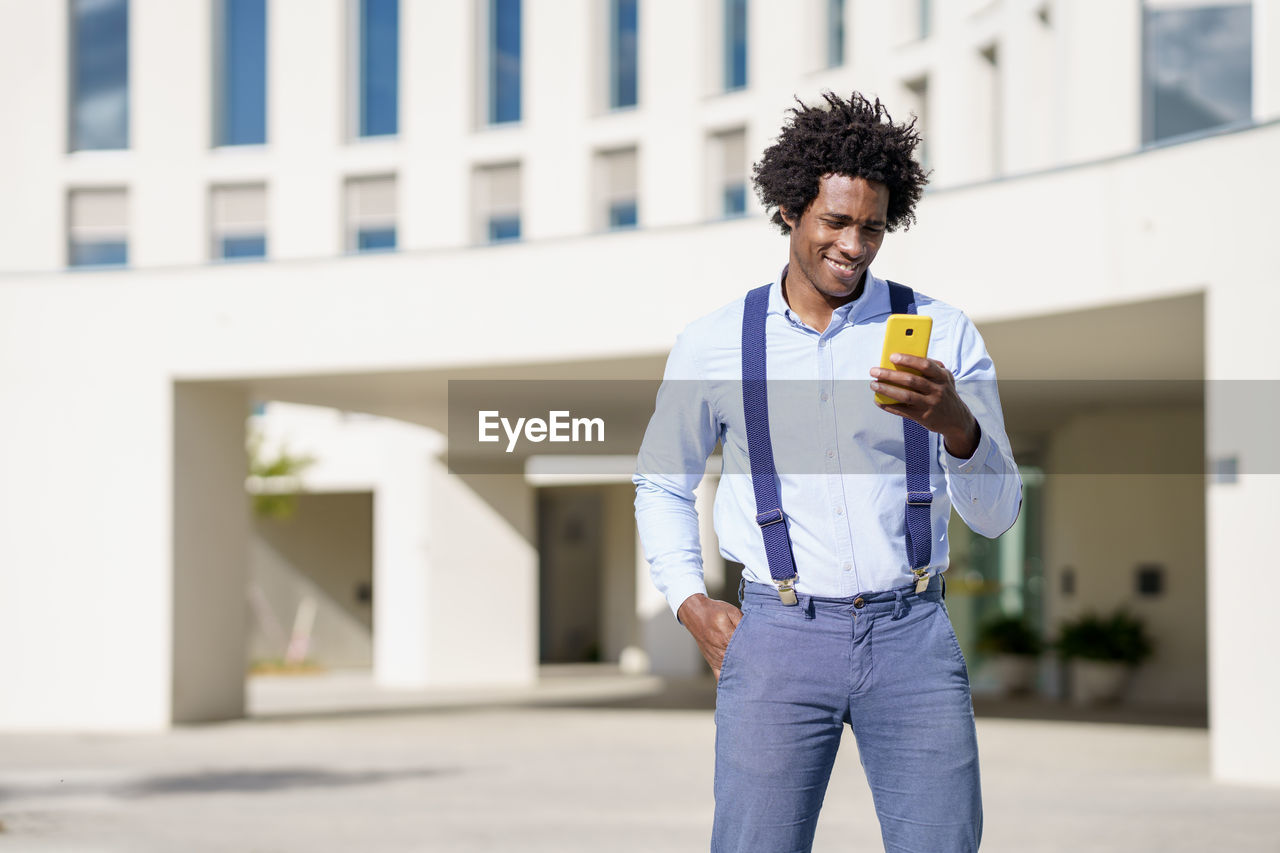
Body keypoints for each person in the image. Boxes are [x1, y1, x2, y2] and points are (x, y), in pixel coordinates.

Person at [632, 91, 1022, 852]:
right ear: (789, 209)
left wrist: (958, 426)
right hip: (776, 634)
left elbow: (998, 513)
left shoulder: (943, 331)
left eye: (871, 226)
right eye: (835, 222)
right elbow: (662, 482)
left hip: (911, 629)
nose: (854, 244)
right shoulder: (714, 343)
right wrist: (687, 600)